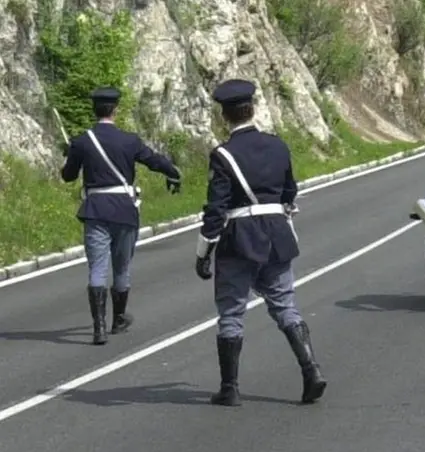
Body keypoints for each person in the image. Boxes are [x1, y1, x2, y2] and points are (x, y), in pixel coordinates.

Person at [194, 78, 327, 407]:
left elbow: (215, 209)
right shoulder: (278, 145)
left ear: (225, 115)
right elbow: (290, 193)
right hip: (277, 235)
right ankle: (311, 371)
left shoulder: (223, 155)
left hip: (239, 240)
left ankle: (230, 388)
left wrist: (204, 251)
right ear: (252, 108)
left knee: (231, 312)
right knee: (285, 305)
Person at [61, 86, 182, 346]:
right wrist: (173, 172)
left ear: (95, 110)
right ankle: (117, 320)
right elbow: (154, 160)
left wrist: (69, 153)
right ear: (115, 110)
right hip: (125, 211)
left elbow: (68, 176)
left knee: (96, 269)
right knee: (122, 268)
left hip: (95, 210)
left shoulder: (82, 142)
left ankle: (98, 328)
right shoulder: (130, 140)